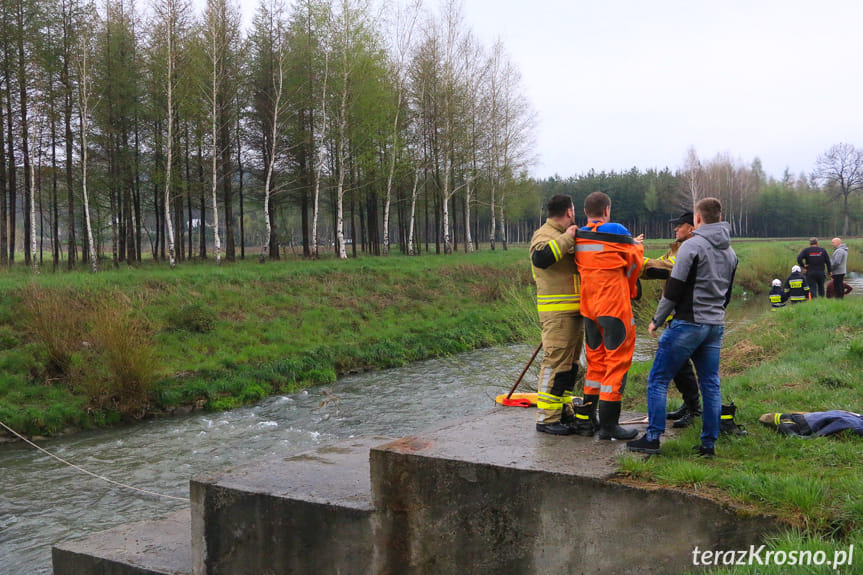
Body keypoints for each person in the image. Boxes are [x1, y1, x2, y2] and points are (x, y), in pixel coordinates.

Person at [627, 197, 738, 457]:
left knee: (657, 380)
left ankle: (652, 438)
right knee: (711, 384)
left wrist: (656, 319)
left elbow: (674, 289)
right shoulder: (731, 253)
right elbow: (727, 295)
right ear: (719, 217)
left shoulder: (691, 246)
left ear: (697, 219)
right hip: (714, 325)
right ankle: (708, 444)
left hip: (687, 323)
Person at [575, 191, 643, 440]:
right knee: (617, 363)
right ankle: (609, 427)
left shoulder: (579, 235)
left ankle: (587, 420)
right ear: (606, 210)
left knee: (595, 362)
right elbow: (635, 262)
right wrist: (633, 287)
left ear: (586, 212)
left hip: (589, 308)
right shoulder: (616, 231)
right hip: (613, 306)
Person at [529, 194, 592, 435]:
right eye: (574, 211)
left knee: (569, 367)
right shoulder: (544, 235)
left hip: (574, 312)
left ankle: (562, 411)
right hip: (557, 314)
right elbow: (541, 258)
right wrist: (567, 238)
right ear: (569, 212)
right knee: (554, 364)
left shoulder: (563, 235)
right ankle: (546, 419)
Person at [640, 211, 701, 428]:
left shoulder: (689, 249)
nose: (675, 229)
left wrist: (633, 258)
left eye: (679, 226)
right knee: (681, 364)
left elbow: (664, 269)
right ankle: (691, 405)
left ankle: (695, 410)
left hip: (687, 313)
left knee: (681, 364)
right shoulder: (677, 247)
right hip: (680, 313)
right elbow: (654, 268)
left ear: (691, 228)